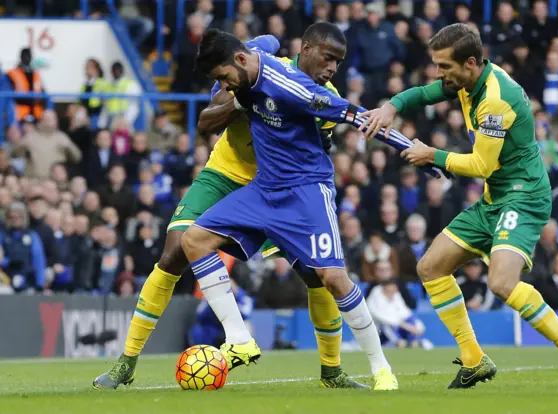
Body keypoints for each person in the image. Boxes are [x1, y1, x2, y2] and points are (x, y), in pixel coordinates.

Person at [95, 26, 373, 390]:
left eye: (337, 62)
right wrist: (241, 97)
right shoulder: (250, 70)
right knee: (174, 251)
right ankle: (126, 363)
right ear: (305, 51)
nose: (331, 68)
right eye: (327, 59)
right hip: (224, 173)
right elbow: (205, 122)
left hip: (280, 187)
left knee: (316, 274)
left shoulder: (325, 97)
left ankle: (332, 371)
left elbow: (318, 152)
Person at [359, 23, 558, 389]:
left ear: (470, 62)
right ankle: (474, 359)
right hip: (495, 198)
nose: (439, 74)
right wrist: (391, 107)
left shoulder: (494, 98)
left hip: (524, 196)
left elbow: (481, 165)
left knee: (502, 282)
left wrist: (432, 155)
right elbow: (424, 94)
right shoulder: (468, 81)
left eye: (444, 67)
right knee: (431, 267)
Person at [178, 25, 417, 391]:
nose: (224, 87)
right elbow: (265, 44)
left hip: (306, 193)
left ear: (240, 61)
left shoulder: (290, 86)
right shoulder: (248, 69)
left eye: (225, 78)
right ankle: (239, 339)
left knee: (333, 279)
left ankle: (381, 368)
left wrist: (410, 148)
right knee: (193, 241)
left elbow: (355, 116)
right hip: (263, 191)